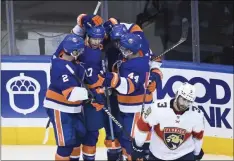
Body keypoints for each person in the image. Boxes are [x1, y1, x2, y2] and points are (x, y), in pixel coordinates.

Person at [99, 33, 162, 160]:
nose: (121, 50)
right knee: (125, 141)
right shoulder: (138, 56)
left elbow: (128, 87)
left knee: (132, 144)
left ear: (132, 51)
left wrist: (111, 79)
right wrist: (154, 75)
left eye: (125, 49)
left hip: (136, 110)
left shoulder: (136, 65)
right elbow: (156, 61)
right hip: (128, 108)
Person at [131, 82, 205, 161]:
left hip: (184, 154)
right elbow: (143, 126)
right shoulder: (157, 108)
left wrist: (197, 153)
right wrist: (138, 145)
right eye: (183, 99)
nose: (184, 104)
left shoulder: (197, 115)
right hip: (158, 155)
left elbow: (198, 136)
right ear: (177, 94)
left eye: (188, 102)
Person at [43, 34, 88, 160]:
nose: (81, 53)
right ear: (73, 52)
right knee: (66, 144)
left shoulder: (59, 56)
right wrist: (91, 94)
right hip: (60, 108)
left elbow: (67, 39)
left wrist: (79, 28)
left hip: (74, 109)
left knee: (77, 139)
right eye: (79, 50)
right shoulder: (61, 67)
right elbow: (71, 94)